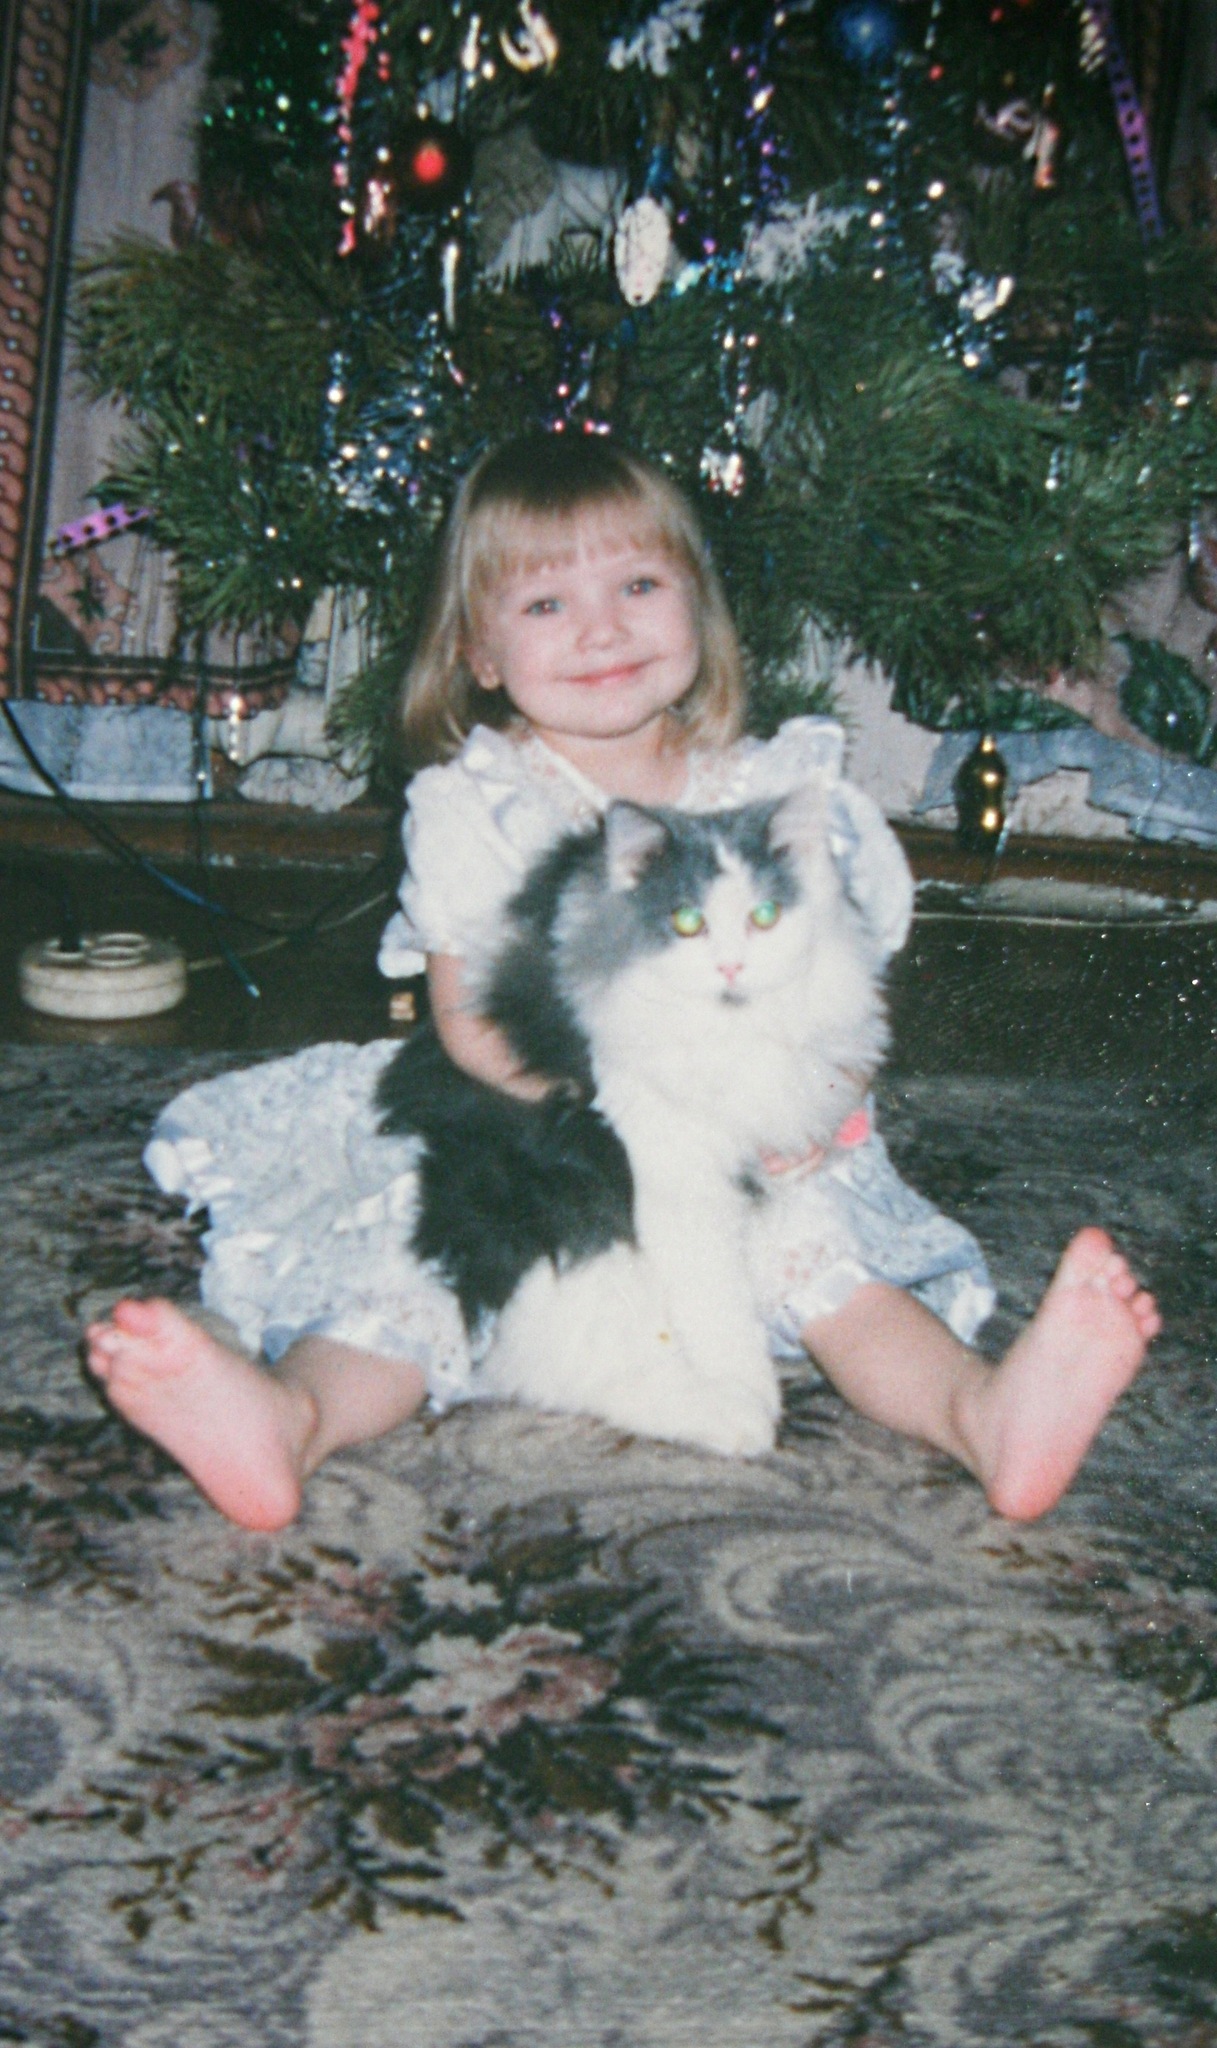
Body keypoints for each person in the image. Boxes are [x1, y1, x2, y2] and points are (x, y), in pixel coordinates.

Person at [85, 434, 1159, 1532]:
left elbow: (837, 999)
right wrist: (613, 1122)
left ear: (698, 607)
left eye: (638, 586)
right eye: (546, 603)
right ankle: (293, 1416)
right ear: (478, 651)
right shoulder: (478, 804)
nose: (601, 629)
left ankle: (982, 1411)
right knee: (417, 1261)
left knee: (819, 1253)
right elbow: (467, 1021)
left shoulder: (760, 790)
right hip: (531, 1126)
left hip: (746, 1131)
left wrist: (811, 1111)